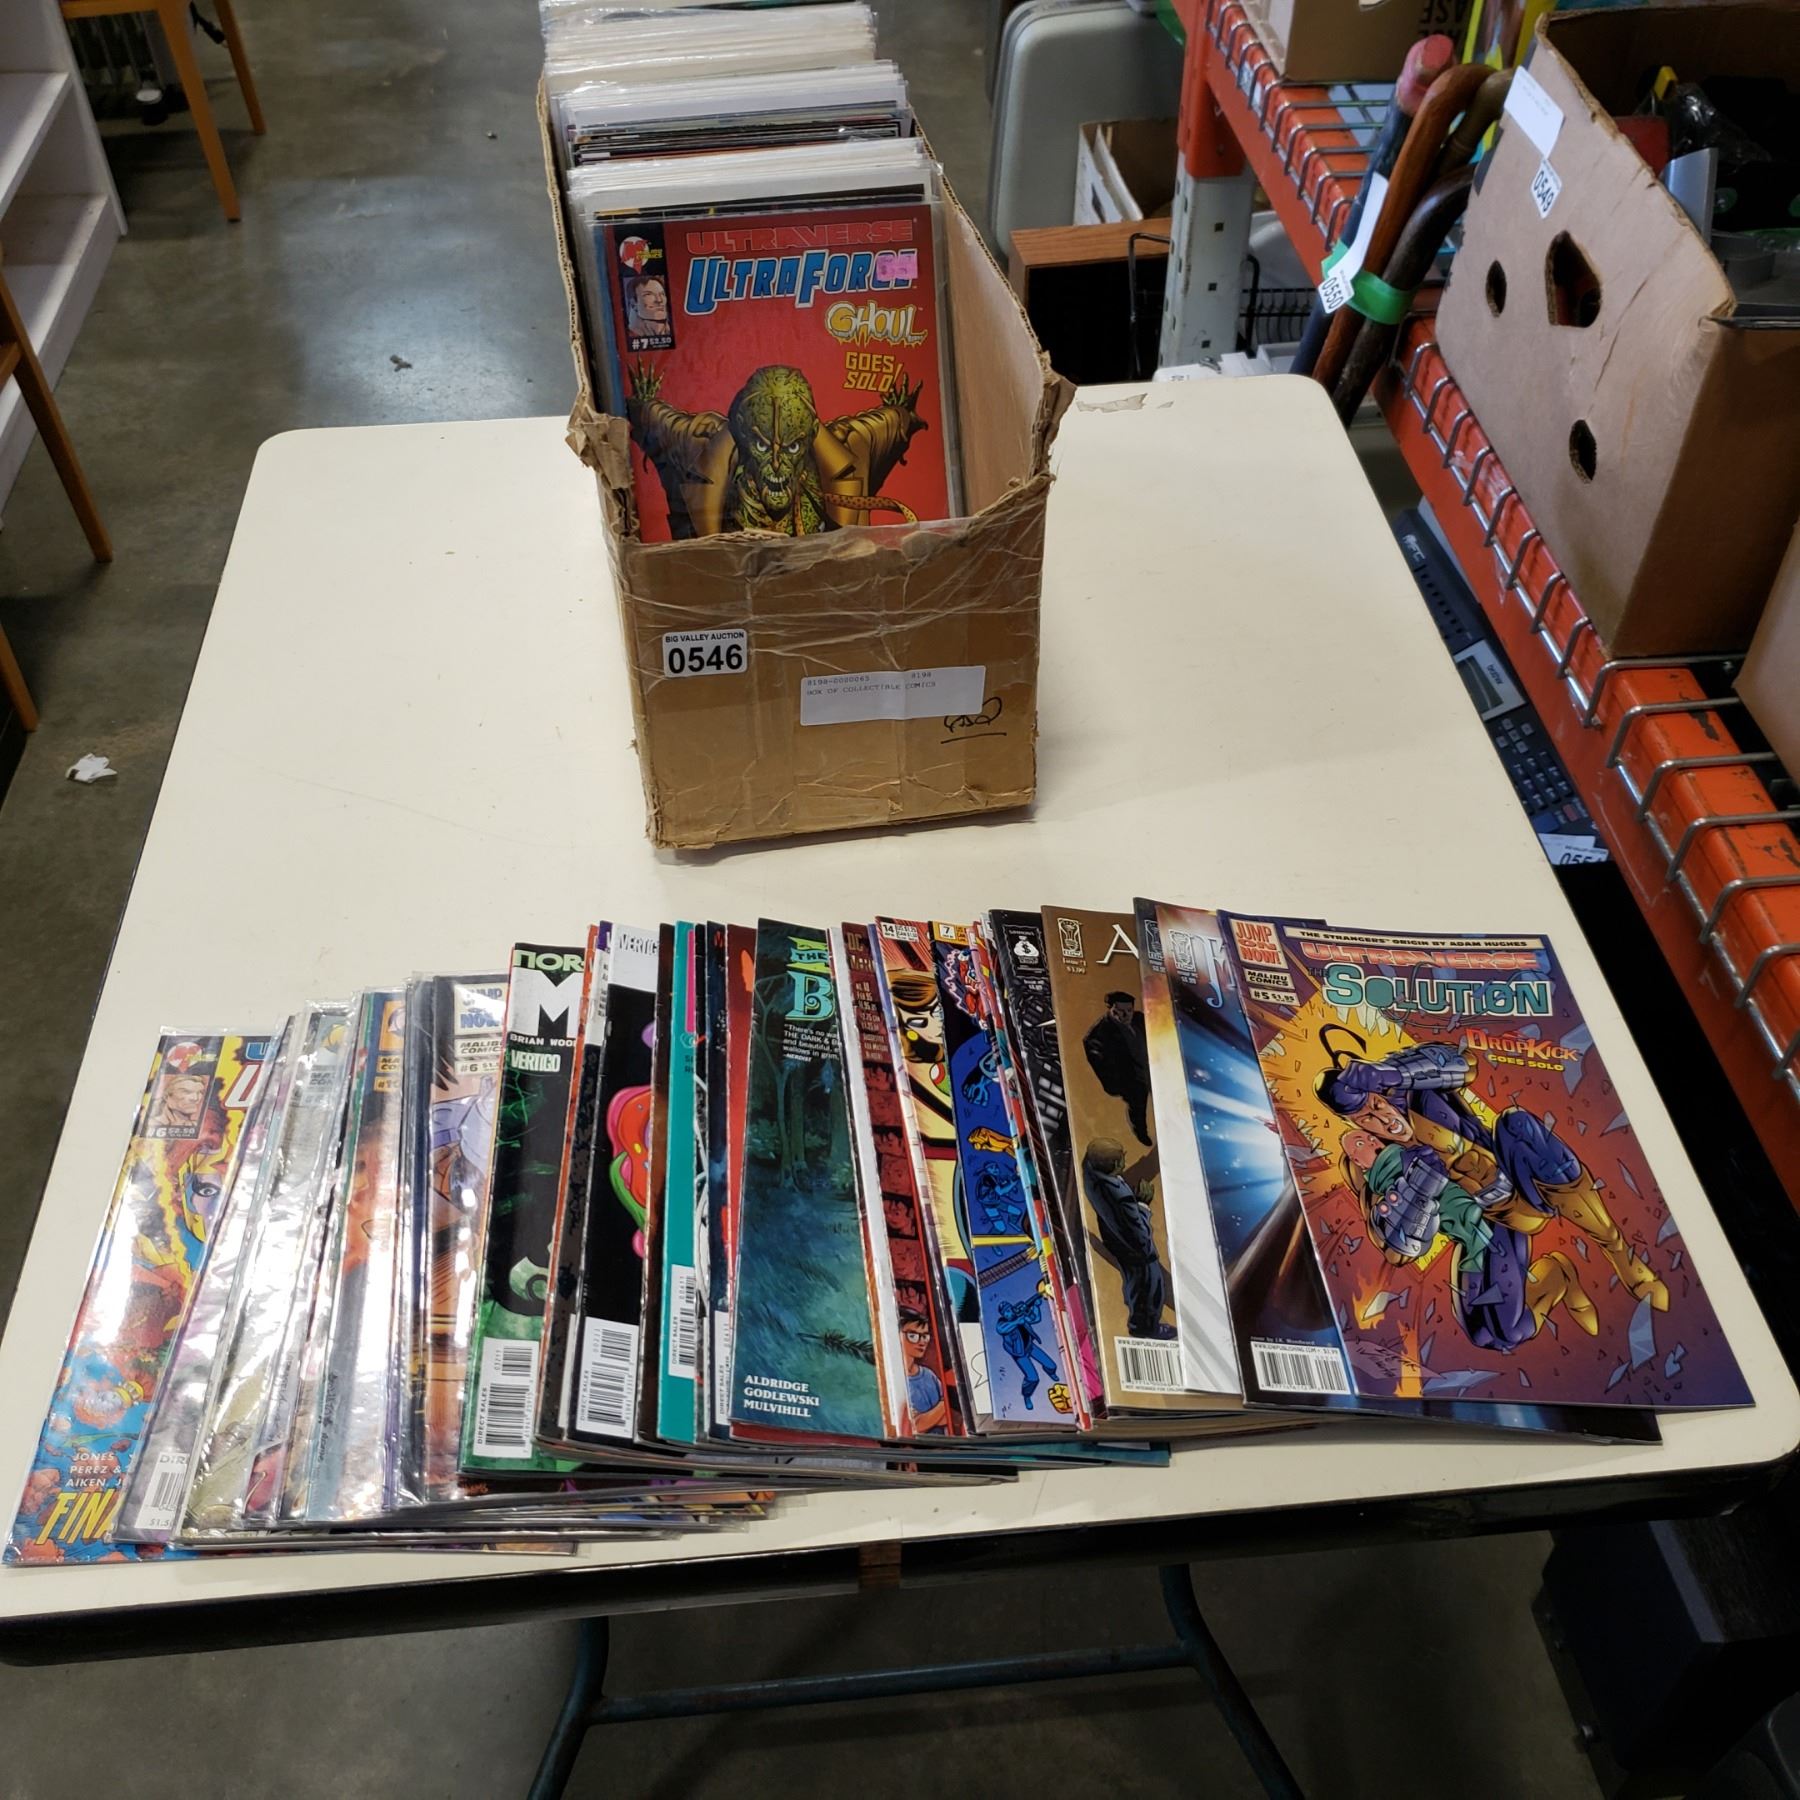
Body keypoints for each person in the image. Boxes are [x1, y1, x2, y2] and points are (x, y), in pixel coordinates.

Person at [1079, 1136, 1171, 1338]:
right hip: (1136, 1252)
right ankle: (1145, 1329)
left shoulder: (1092, 1173)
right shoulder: (1120, 1198)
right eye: (1121, 1160)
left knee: (1136, 1283)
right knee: (1149, 1285)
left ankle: (1142, 1322)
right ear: (1113, 1166)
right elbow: (1140, 1236)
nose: (1124, 1162)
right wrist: (1143, 1205)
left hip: (1116, 1239)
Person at [1082, 991, 1152, 1146]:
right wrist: (1119, 1085)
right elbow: (1100, 1063)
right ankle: (1141, 1132)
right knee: (1138, 1105)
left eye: (1129, 1010)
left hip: (1151, 1067)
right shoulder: (1098, 1034)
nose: (1125, 1015)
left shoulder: (1140, 1019)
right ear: (1110, 1009)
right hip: (1130, 1077)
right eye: (1119, 1011)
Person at [898, 1308, 947, 1433]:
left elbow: (949, 1415)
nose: (921, 1342)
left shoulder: (929, 1375)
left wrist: (928, 1418)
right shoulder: (897, 1381)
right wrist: (943, 1405)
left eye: (925, 1336)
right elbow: (916, 1425)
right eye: (913, 1336)